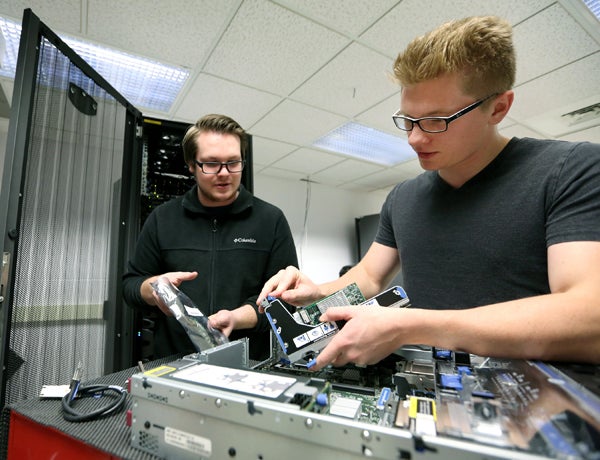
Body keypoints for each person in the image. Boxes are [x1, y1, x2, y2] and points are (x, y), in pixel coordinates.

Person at [258, 16, 600, 370]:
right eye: (408, 119)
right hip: (429, 397)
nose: (414, 138)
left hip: (543, 408)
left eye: (437, 121)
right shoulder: (403, 198)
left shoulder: (571, 171)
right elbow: (369, 279)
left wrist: (413, 325)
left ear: (498, 107)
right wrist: (316, 292)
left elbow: (590, 317)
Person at [123, 114, 298, 361]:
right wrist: (153, 289)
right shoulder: (163, 219)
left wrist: (236, 318)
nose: (224, 173)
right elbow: (130, 285)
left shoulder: (271, 220)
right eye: (211, 164)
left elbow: (285, 300)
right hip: (176, 362)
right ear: (191, 165)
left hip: (248, 362)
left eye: (233, 162)